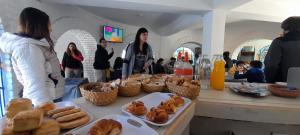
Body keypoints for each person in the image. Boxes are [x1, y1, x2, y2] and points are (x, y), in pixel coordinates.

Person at [0, 7, 64, 105]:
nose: (51, 29)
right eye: (48, 25)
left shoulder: (33, 45)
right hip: (45, 101)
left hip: (50, 97)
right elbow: (35, 85)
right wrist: (45, 109)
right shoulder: (28, 48)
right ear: (38, 26)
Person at [264, 16, 300, 83]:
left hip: (283, 85)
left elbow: (271, 65)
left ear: (286, 28)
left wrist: (269, 81)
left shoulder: (279, 42)